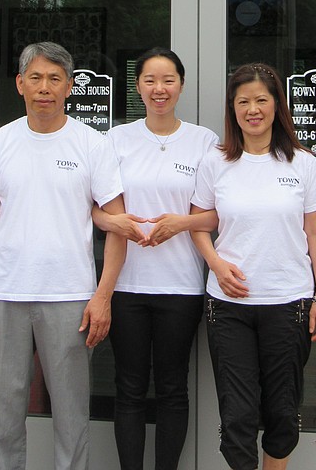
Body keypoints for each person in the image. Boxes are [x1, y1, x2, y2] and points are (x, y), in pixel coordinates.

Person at [0, 42, 127, 470]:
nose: (44, 88)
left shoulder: (93, 145)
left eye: (55, 79)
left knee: (71, 418)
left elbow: (118, 225)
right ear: (20, 84)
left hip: (70, 297)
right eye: (35, 78)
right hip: (5, 296)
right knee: (5, 415)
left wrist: (103, 296)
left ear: (70, 87)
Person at [190, 63, 316, 470]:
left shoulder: (301, 162)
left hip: (288, 303)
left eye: (261, 101)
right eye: (243, 102)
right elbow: (200, 223)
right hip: (229, 306)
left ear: (276, 106)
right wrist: (216, 265)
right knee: (237, 415)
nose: (253, 110)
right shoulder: (215, 162)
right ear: (232, 109)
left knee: (282, 412)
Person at [92, 47, 218, 470]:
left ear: (181, 85)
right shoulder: (116, 139)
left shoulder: (204, 141)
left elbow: (221, 211)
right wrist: (116, 223)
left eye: (168, 81)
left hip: (181, 285)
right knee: (127, 387)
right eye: (150, 80)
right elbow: (93, 209)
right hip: (125, 285)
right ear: (138, 86)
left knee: (172, 388)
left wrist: (182, 224)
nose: (159, 89)